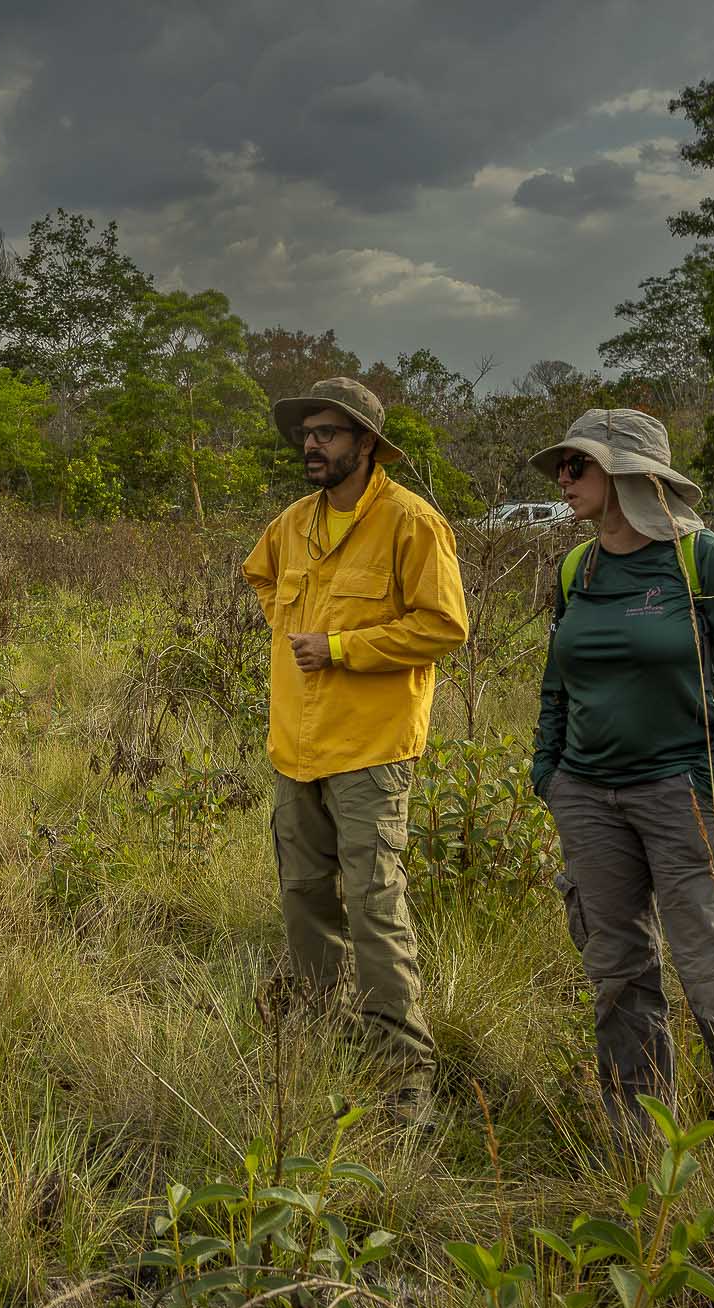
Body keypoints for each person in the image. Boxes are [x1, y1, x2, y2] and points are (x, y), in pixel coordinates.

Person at [528, 408, 714, 1142]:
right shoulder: (574, 569)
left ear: (628, 474)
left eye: (578, 464)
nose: (564, 477)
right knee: (618, 977)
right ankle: (641, 1145)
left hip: (682, 795)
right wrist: (549, 771)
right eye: (562, 464)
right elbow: (558, 679)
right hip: (588, 796)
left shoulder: (703, 559)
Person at [242, 378, 470, 1126]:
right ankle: (312, 1029)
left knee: (375, 904)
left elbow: (444, 626)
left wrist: (340, 646)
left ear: (367, 444)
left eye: (330, 433)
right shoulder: (292, 522)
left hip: (369, 750)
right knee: (304, 894)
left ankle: (404, 1071)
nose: (313, 444)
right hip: (295, 745)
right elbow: (261, 574)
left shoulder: (412, 523)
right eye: (308, 431)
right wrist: (289, 620)